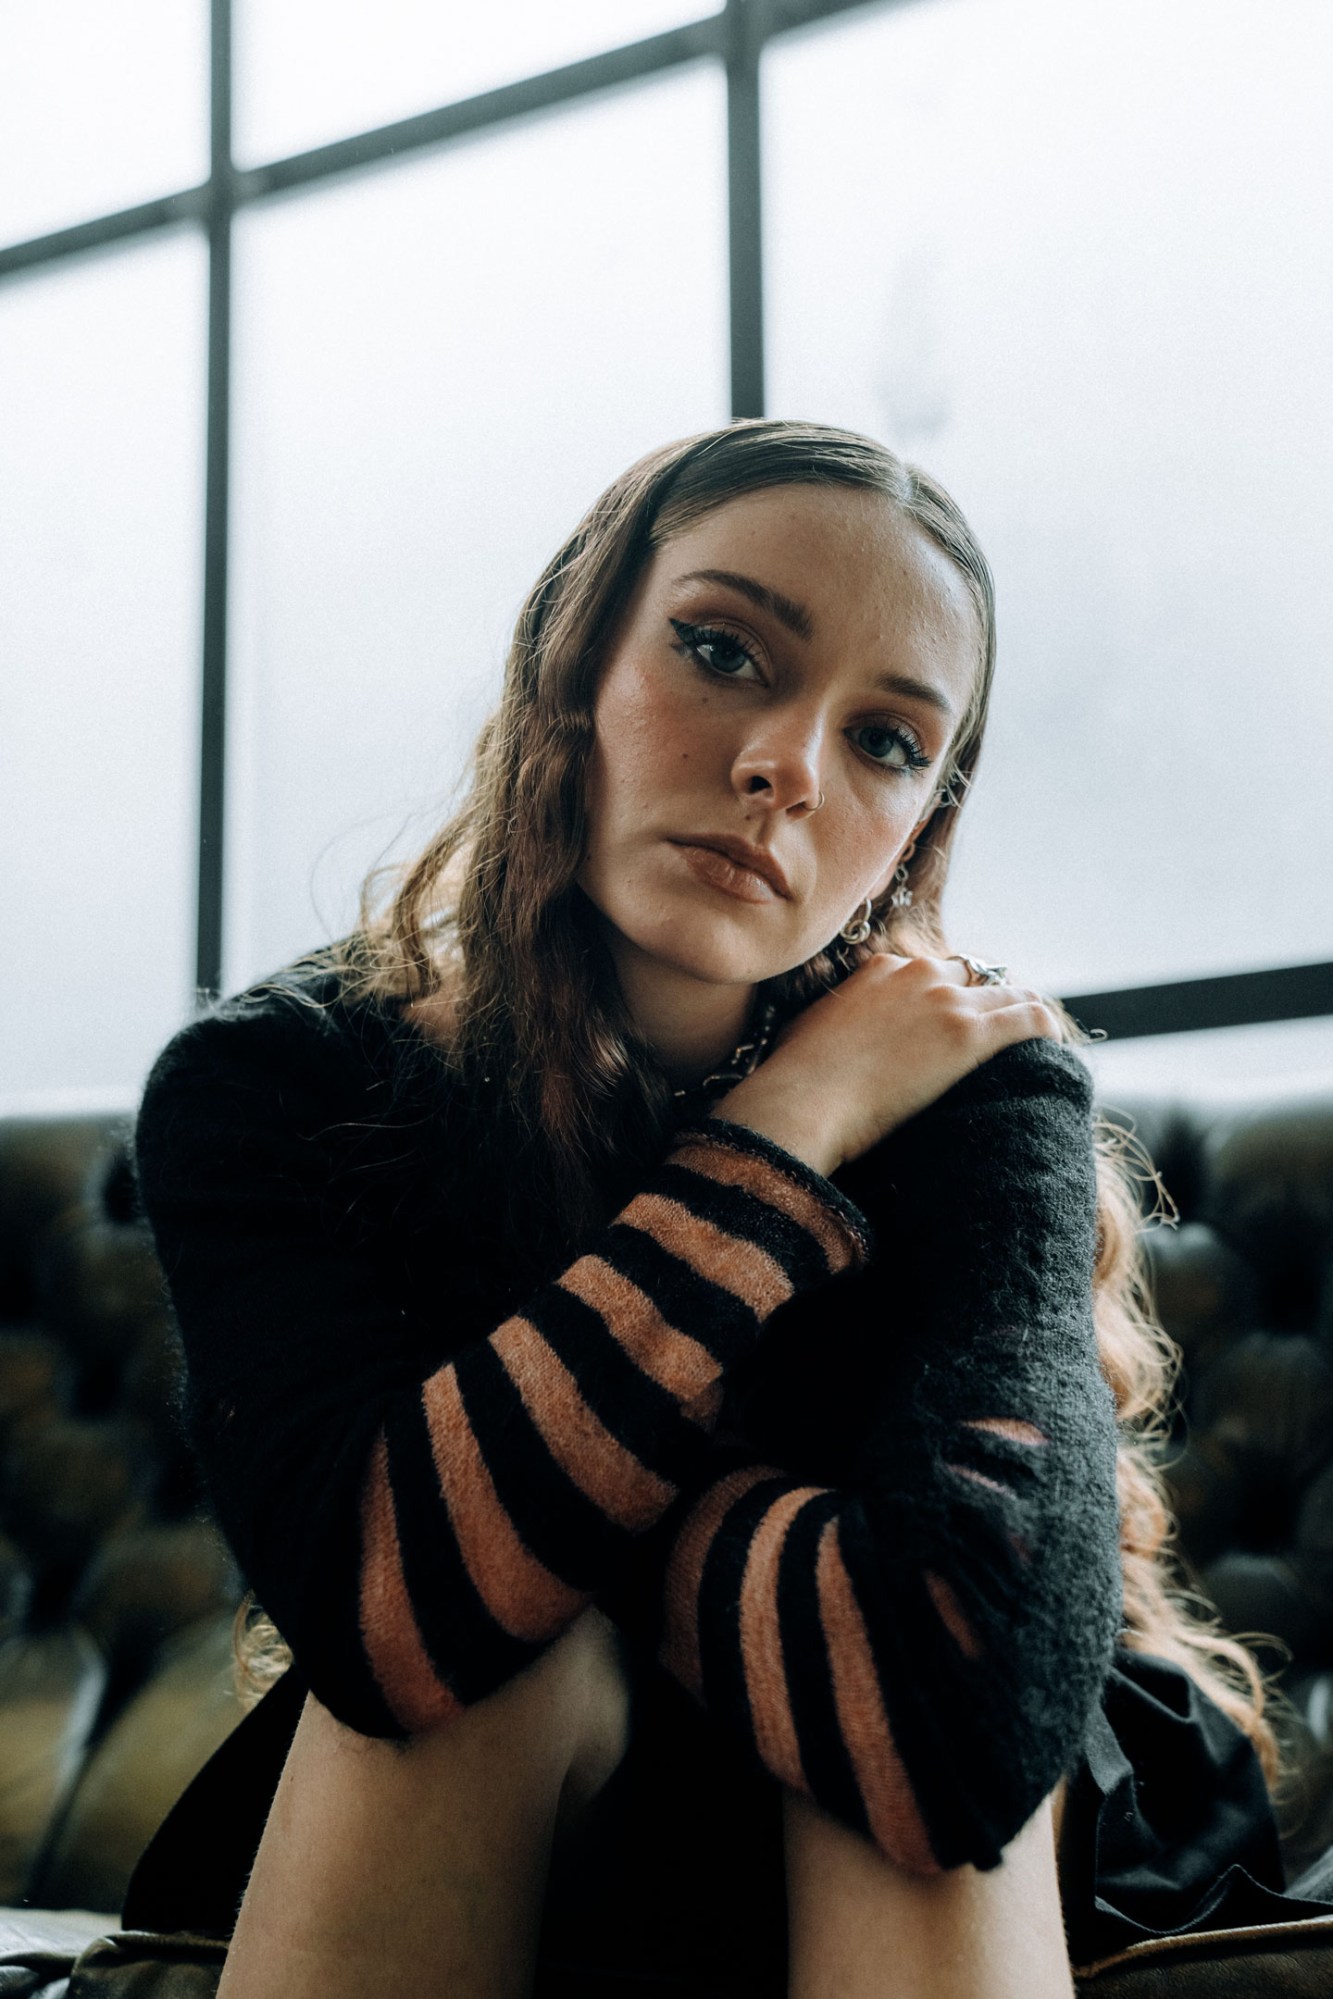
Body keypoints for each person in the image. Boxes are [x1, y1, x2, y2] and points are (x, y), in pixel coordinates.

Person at [132, 421, 1312, 1999]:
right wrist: (790, 1124)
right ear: (572, 659)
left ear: (918, 829)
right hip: (540, 1761)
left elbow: (952, 1723)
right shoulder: (277, 1083)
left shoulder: (978, 1090)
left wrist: (542, 1507)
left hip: (949, 1809)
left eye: (887, 742)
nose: (787, 769)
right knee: (485, 1664)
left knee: (841, 1758)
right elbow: (392, 1618)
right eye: (719, 649)